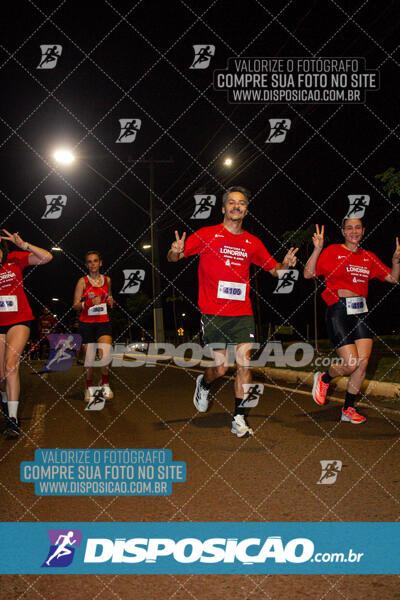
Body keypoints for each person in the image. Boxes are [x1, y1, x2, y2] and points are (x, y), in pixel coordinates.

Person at [167, 186, 298, 437]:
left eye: (241, 203)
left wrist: (286, 265)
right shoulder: (207, 235)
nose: (237, 206)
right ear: (224, 208)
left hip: (242, 312)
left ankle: (238, 418)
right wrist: (175, 249)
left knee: (245, 364)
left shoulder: (252, 242)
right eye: (232, 203)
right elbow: (174, 258)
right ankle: (204, 383)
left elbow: (274, 270)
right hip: (213, 312)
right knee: (221, 368)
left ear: (246, 210)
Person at [304, 219, 399, 424]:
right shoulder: (331, 251)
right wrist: (317, 249)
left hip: (360, 312)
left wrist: (396, 261)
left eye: (358, 227)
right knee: (350, 363)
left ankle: (348, 409)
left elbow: (392, 278)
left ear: (363, 231)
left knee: (362, 364)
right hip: (338, 310)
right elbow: (308, 273)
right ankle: (324, 378)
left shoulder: (368, 257)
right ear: (343, 231)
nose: (354, 231)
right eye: (349, 228)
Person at [0, 229, 53, 437]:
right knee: (2, 376)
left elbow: (47, 257)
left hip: (19, 320)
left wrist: (24, 245)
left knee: (11, 365)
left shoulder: (15, 259)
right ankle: (6, 401)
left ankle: (12, 420)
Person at [73, 251, 114, 402]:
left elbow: (109, 296)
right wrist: (89, 302)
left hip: (103, 322)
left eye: (95, 261)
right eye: (89, 262)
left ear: (100, 263)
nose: (93, 264)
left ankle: (105, 383)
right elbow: (75, 305)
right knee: (89, 358)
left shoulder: (107, 280)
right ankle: (89, 387)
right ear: (86, 265)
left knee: (105, 354)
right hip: (87, 324)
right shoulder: (82, 282)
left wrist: (110, 300)